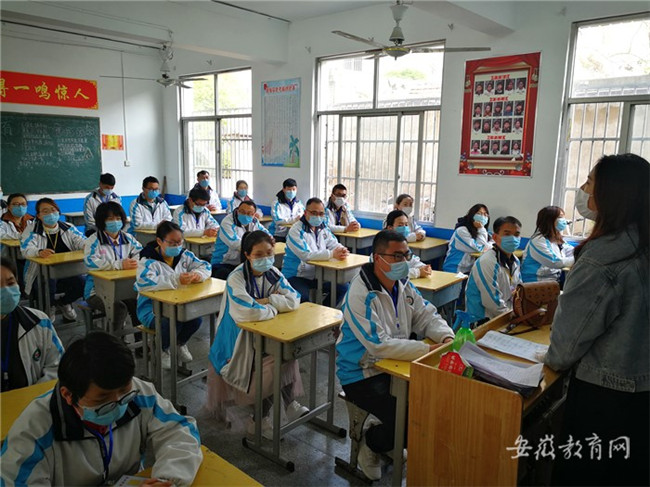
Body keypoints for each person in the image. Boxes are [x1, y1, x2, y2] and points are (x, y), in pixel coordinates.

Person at [545, 154, 649, 486]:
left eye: (590, 182)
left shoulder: (604, 259)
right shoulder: (641, 243)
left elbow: (563, 351)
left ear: (612, 194)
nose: (583, 190)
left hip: (606, 399)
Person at [0, 331, 202, 486]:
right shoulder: (34, 430)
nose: (118, 403)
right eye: (102, 398)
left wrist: (166, 479)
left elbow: (180, 432)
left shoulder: (139, 394)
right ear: (68, 395)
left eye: (124, 391)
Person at [336, 230, 454, 480]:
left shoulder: (403, 285)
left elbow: (426, 315)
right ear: (378, 258)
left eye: (406, 255)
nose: (404, 261)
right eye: (397, 256)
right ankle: (371, 443)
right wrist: (427, 350)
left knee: (431, 406)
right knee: (409, 421)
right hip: (361, 372)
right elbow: (378, 345)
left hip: (395, 365)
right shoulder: (360, 293)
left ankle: (388, 436)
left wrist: (446, 337)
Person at [206, 231, 307, 439]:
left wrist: (267, 301)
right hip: (238, 341)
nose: (265, 259)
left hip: (265, 333)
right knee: (274, 365)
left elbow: (294, 299)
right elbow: (247, 312)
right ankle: (259, 419)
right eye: (258, 255)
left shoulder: (273, 273)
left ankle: (288, 405)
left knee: (286, 354)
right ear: (247, 255)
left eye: (269, 253)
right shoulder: (236, 278)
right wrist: (275, 307)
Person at [135, 221, 211, 369]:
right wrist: (176, 279)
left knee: (196, 319)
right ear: (159, 241)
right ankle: (161, 348)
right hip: (151, 309)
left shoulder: (185, 255)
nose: (177, 246)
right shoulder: (147, 260)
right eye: (172, 243)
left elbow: (206, 266)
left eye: (179, 242)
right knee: (171, 322)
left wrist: (197, 274)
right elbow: (145, 282)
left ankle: (179, 343)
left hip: (179, 304)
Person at [0, 257, 63, 392]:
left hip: (33, 402)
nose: (6, 290)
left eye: (10, 283)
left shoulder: (39, 322)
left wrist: (33, 399)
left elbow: (58, 368)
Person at [21, 198, 86, 323]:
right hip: (40, 274)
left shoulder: (68, 228)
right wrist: (39, 252)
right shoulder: (32, 230)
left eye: (53, 210)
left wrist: (85, 245)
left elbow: (80, 240)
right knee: (48, 284)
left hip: (66, 271)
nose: (50, 214)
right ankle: (49, 307)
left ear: (58, 212)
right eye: (45, 211)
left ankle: (64, 302)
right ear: (38, 216)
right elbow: (25, 249)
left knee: (83, 283)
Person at [84, 202, 142, 331]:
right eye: (110, 219)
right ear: (101, 221)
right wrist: (119, 264)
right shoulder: (93, 241)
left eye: (118, 218)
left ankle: (141, 338)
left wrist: (134, 262)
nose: (115, 222)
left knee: (139, 302)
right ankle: (113, 339)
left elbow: (140, 253)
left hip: (124, 288)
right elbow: (90, 262)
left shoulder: (128, 238)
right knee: (119, 309)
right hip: (97, 291)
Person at [283, 198, 349, 305]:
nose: (317, 216)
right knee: (303, 298)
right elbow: (306, 255)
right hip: (296, 276)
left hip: (318, 275)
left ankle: (325, 310)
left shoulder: (323, 228)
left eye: (321, 213)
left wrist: (342, 250)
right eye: (314, 213)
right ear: (305, 213)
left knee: (343, 287)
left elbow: (334, 243)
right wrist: (332, 254)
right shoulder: (296, 230)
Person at [465, 216, 522, 321]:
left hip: (506, 314)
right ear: (495, 237)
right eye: (507, 234)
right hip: (484, 320)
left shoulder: (515, 261)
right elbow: (492, 302)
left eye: (516, 235)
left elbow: (518, 290)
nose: (513, 239)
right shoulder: (487, 262)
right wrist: (513, 316)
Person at [211, 200, 270, 280]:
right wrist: (258, 248)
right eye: (242, 212)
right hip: (224, 263)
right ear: (237, 211)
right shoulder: (227, 222)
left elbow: (267, 236)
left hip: (244, 262)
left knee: (263, 274)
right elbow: (235, 244)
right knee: (234, 278)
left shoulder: (255, 222)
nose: (245, 215)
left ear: (254, 215)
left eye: (249, 213)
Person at [521, 206, 574, 283]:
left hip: (552, 281)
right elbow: (555, 262)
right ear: (549, 221)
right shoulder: (538, 240)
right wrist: (578, 259)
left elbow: (573, 251)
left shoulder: (557, 239)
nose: (564, 221)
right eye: (560, 217)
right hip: (534, 282)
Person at [443, 203, 491, 274]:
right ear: (472, 215)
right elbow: (479, 248)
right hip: (455, 269)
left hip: (469, 270)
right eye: (479, 213)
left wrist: (481, 230)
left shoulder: (483, 231)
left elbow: (491, 244)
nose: (482, 217)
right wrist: (481, 228)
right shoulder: (462, 231)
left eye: (485, 214)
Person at [384, 210, 431, 279]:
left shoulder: (402, 246)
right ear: (390, 228)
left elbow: (411, 261)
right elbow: (393, 272)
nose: (404, 228)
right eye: (400, 225)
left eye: (406, 225)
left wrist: (423, 267)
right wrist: (418, 272)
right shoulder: (384, 247)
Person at [269, 178, 304, 243]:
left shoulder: (299, 203)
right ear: (284, 189)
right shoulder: (276, 204)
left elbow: (303, 215)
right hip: (278, 234)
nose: (291, 192)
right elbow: (278, 221)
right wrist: (294, 220)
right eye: (289, 189)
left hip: (293, 233)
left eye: (293, 189)